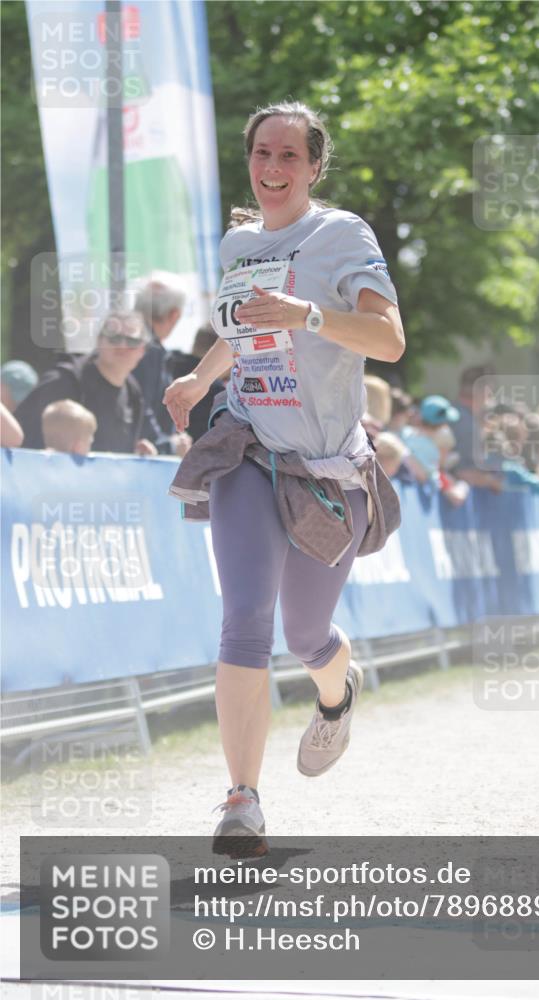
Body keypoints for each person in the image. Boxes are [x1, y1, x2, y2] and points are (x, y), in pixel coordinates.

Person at [163, 101, 404, 852]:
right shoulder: (239, 240)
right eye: (262, 154)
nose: (272, 170)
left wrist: (309, 315)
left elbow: (390, 341)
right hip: (246, 449)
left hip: (326, 472)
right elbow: (242, 329)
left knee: (305, 634)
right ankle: (242, 800)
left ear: (314, 166)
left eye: (289, 157)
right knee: (244, 618)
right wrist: (201, 380)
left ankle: (336, 696)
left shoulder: (342, 236)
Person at [14, 312, 160, 455]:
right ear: (99, 341)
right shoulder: (64, 381)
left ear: (143, 350)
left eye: (132, 341)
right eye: (114, 338)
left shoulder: (134, 394)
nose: (122, 345)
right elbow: (19, 439)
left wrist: (139, 455)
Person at [133, 280, 192, 455]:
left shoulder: (134, 344)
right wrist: (169, 445)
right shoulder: (148, 350)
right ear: (174, 315)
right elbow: (142, 405)